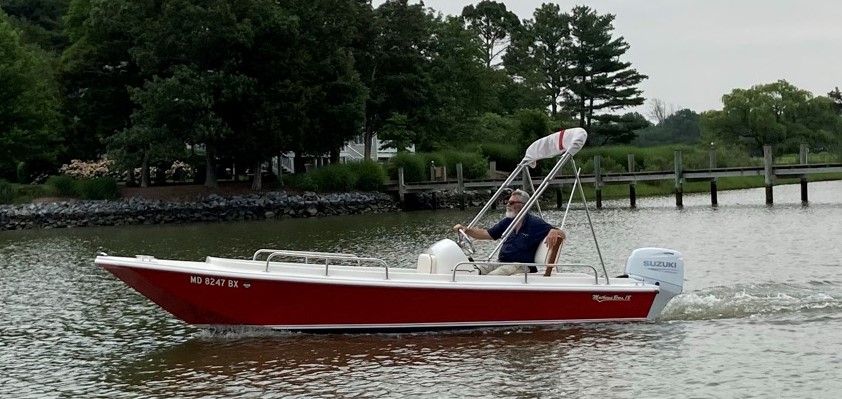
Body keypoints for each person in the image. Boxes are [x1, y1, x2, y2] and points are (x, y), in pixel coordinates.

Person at [452, 189, 565, 275]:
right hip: (502, 261)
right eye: (508, 202)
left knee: (493, 276)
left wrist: (553, 231)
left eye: (512, 203)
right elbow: (487, 234)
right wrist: (466, 229)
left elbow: (561, 233)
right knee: (474, 271)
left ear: (523, 205)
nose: (508, 205)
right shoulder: (507, 222)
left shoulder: (535, 223)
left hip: (521, 265)